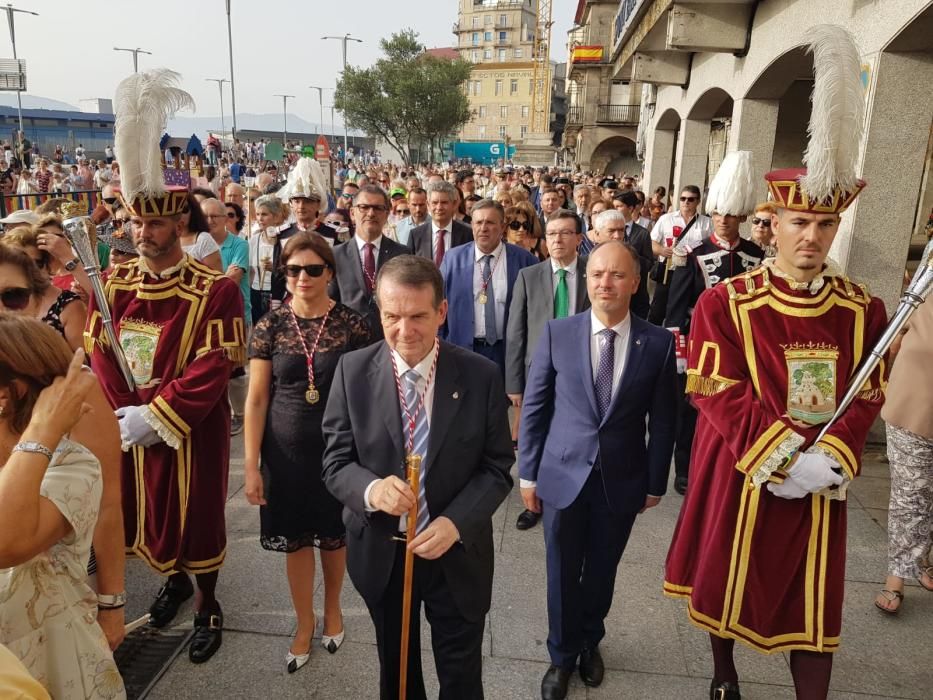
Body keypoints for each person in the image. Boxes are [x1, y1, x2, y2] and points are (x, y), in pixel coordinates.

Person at [664, 28, 887, 696]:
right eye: (799, 224)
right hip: (745, 466)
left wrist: (833, 457)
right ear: (774, 224)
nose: (812, 236)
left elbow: (867, 389)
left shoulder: (861, 309)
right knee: (726, 581)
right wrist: (777, 453)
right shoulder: (726, 303)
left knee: (811, 607)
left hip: (822, 480)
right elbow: (712, 386)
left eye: (823, 226)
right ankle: (722, 673)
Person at [86, 66, 246, 666]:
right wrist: (123, 410)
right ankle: (172, 582)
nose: (142, 231)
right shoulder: (115, 280)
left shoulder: (217, 288)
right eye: (134, 221)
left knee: (196, 514)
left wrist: (157, 414)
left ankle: (206, 599)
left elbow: (213, 364)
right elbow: (99, 346)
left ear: (180, 224)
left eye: (154, 222)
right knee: (138, 512)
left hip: (188, 427)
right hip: (128, 421)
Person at [321, 255, 514, 699]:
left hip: (456, 553)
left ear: (441, 312)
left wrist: (456, 522)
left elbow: (496, 466)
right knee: (398, 671)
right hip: (383, 554)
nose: (405, 331)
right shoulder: (352, 372)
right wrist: (370, 489)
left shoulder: (480, 375)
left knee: (462, 675)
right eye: (392, 316)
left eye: (418, 317)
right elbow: (335, 463)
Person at [519, 241, 677, 699]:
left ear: (633, 282)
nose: (604, 283)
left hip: (622, 479)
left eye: (616, 275)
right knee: (562, 570)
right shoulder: (558, 333)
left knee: (603, 569)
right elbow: (535, 409)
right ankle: (561, 655)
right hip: (562, 476)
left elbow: (664, 422)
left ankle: (591, 639)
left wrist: (654, 482)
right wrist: (527, 474)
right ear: (587, 281)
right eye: (597, 275)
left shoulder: (658, 343)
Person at [245, 233, 371, 673]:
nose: (303, 277)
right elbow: (256, 398)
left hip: (338, 448)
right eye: (294, 270)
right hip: (284, 451)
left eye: (313, 269)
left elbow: (366, 395)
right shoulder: (270, 324)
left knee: (334, 535)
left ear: (330, 273)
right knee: (295, 539)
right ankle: (304, 621)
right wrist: (251, 465)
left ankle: (333, 609)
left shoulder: (354, 325)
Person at [0, 245, 126, 651]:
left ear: (38, 299)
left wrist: (112, 604)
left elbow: (108, 505)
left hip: (50, 618)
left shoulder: (75, 401)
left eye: (11, 297)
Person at [664, 152, 765, 495]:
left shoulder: (757, 256)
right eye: (718, 213)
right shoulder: (694, 255)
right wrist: (680, 352)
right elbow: (676, 311)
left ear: (742, 216)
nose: (723, 220)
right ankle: (685, 469)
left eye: (731, 214)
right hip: (701, 346)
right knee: (689, 411)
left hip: (743, 347)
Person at [506, 210, 590, 533]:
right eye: (551, 233)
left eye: (565, 233)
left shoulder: (591, 273)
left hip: (580, 372)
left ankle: (569, 492)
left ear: (579, 239)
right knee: (534, 433)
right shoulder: (530, 276)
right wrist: (515, 384)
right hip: (537, 371)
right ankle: (532, 498)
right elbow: (516, 333)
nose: (556, 239)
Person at [874, 295, 933, 613]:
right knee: (910, 497)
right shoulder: (926, 282)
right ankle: (896, 578)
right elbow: (891, 343)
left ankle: (923, 561)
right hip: (913, 406)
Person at [439, 199, 538, 374]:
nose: (483, 228)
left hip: (506, 354)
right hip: (463, 352)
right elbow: (439, 307)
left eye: (490, 222)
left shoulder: (524, 260)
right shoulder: (452, 259)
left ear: (502, 226)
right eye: (478, 222)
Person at [331, 185, 408, 342]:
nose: (371, 213)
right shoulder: (336, 255)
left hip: (389, 342)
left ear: (387, 214)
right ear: (352, 213)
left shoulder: (402, 254)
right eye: (364, 207)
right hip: (348, 343)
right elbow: (330, 302)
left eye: (378, 208)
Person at [203, 198, 251, 436]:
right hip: (206, 316)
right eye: (206, 217)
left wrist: (211, 280)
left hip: (236, 314)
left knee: (236, 369)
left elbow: (232, 281)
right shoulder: (195, 244)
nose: (210, 221)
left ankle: (239, 414)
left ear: (225, 219)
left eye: (215, 216)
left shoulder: (239, 245)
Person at [2, 230, 87, 351]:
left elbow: (82, 360)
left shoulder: (68, 305)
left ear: (47, 264)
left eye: (36, 263)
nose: (28, 270)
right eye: (18, 265)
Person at [647, 185, 712, 325]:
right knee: (658, 310)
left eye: (690, 199)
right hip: (668, 271)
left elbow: (712, 245)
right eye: (683, 199)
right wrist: (662, 250)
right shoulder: (666, 219)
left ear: (698, 201)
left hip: (693, 274)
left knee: (682, 312)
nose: (686, 202)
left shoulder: (707, 223)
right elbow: (651, 242)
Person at [592, 205, 653, 319]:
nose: (618, 236)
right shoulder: (586, 262)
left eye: (621, 230)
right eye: (611, 231)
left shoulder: (637, 262)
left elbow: (641, 302)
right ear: (597, 234)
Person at [408, 181, 472, 266]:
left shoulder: (468, 234)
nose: (439, 207)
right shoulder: (416, 235)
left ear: (454, 204)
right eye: (434, 203)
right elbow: (409, 268)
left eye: (444, 202)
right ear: (428, 205)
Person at [249, 195, 287, 323]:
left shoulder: (284, 240)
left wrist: (275, 268)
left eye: (264, 214)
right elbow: (250, 270)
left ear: (276, 217)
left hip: (276, 294)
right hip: (256, 293)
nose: (260, 218)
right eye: (258, 214)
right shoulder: (255, 239)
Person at [179, 194, 223, 271]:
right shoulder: (164, 239)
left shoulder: (203, 240)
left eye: (184, 209)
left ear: (193, 211)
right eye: (174, 210)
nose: (179, 214)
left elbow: (216, 279)